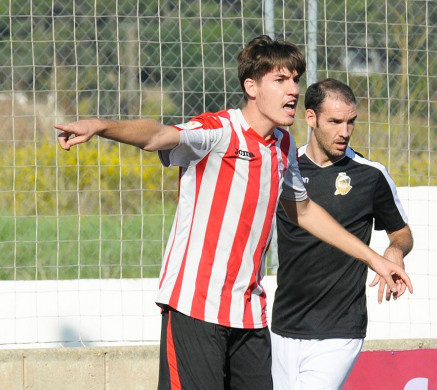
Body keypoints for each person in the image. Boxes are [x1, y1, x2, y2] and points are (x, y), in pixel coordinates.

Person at [54, 37, 412, 390]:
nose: (293, 90)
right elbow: (157, 135)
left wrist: (376, 260)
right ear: (252, 87)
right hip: (195, 310)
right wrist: (101, 127)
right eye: (281, 80)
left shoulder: (284, 146)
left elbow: (303, 211)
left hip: (248, 315)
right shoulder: (219, 131)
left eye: (296, 80)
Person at [271, 78, 414, 390]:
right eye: (335, 122)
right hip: (283, 324)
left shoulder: (370, 174)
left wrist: (395, 250)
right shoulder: (284, 169)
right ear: (311, 118)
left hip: (340, 328)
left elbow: (402, 232)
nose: (345, 132)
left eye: (351, 122)